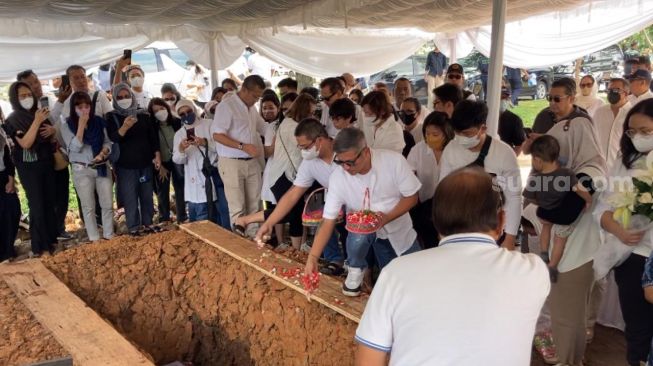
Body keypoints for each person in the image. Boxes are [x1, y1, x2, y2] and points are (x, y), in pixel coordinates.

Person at [354, 167, 549, 366]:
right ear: (501, 222)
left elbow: (369, 359)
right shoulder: (533, 271)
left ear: (436, 224)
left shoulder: (395, 273)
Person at [523, 77, 606, 366]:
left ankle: (570, 357)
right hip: (551, 227)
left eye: (558, 99)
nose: (552, 104)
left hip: (577, 241)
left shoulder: (585, 154)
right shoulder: (549, 128)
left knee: (569, 309)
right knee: (557, 301)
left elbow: (592, 167)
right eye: (550, 99)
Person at [304, 128, 421, 296]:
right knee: (360, 236)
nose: (346, 168)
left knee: (412, 277)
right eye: (340, 162)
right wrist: (313, 257)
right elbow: (327, 220)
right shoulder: (338, 177)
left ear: (365, 152)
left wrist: (386, 218)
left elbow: (412, 197)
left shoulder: (393, 161)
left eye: (351, 162)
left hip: (399, 228)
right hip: (362, 234)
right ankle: (355, 269)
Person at [594, 99, 653, 366]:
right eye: (632, 131)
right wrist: (618, 229)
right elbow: (604, 206)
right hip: (632, 255)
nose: (637, 137)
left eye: (645, 131)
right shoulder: (625, 161)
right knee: (638, 329)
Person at [254, 119, 346, 272]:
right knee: (323, 218)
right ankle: (335, 260)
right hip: (333, 203)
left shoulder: (345, 150)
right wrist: (269, 223)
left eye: (304, 146)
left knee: (359, 239)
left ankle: (364, 272)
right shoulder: (309, 163)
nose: (302, 150)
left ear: (319, 141)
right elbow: (293, 194)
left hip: (358, 203)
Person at [439, 100, 521, 250]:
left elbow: (514, 197)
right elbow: (443, 192)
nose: (460, 137)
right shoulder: (451, 149)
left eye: (466, 133)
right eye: (456, 132)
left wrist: (510, 238)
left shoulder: (504, 153)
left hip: (492, 228)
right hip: (459, 227)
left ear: (483, 128)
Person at [523, 135, 592, 283]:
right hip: (561, 214)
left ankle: (543, 253)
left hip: (545, 212)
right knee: (560, 240)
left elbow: (530, 196)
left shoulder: (535, 178)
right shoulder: (566, 174)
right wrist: (588, 200)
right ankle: (552, 266)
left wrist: (541, 201)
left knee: (545, 229)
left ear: (537, 160)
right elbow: (579, 190)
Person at [17, 69, 75, 241]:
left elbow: (56, 122)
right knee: (44, 200)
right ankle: (46, 236)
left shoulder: (47, 100)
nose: (36, 86)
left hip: (58, 155)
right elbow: (38, 131)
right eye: (31, 84)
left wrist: (54, 128)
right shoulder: (22, 113)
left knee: (62, 192)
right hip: (37, 163)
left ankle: (59, 228)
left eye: (36, 81)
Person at [2, 81, 57, 256]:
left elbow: (48, 136)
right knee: (37, 204)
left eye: (28, 94)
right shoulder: (13, 120)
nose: (27, 98)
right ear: (15, 99)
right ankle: (40, 247)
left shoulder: (39, 112)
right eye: (22, 96)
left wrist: (51, 130)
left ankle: (51, 240)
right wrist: (37, 121)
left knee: (49, 202)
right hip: (28, 166)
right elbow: (25, 143)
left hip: (46, 162)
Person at [211, 75, 267, 235]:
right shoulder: (226, 106)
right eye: (255, 96)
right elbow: (217, 135)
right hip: (232, 162)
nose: (257, 100)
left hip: (252, 162)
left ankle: (255, 242)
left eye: (259, 97)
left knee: (255, 204)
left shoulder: (252, 108)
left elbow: (263, 127)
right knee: (238, 207)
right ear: (244, 89)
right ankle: (241, 245)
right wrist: (242, 146)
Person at [105, 83, 162, 236]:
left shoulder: (143, 115)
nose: (124, 99)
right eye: (120, 97)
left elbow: (152, 137)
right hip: (125, 166)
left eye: (127, 96)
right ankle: (134, 227)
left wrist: (156, 155)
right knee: (130, 196)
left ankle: (148, 223)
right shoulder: (112, 116)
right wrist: (124, 127)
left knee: (146, 194)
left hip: (145, 163)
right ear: (115, 99)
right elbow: (113, 138)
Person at [261, 93, 316, 248]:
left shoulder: (288, 123)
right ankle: (295, 250)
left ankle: (295, 249)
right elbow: (304, 150)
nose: (312, 115)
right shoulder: (292, 126)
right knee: (290, 214)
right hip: (284, 176)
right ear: (304, 110)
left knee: (293, 214)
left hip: (286, 175)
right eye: (310, 112)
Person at [61, 92, 114, 241]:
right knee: (88, 206)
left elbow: (108, 142)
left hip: (101, 166)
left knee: (107, 203)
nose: (84, 109)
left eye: (87, 106)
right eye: (80, 106)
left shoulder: (98, 122)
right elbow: (74, 148)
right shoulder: (67, 125)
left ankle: (109, 235)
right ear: (73, 108)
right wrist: (81, 126)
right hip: (81, 169)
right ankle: (94, 238)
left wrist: (103, 153)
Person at [407, 111, 453, 248]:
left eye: (435, 134)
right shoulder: (418, 150)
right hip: (426, 208)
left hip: (451, 207)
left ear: (447, 134)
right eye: (427, 134)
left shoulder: (456, 150)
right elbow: (407, 174)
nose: (430, 138)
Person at [172, 99, 220, 222]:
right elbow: (177, 159)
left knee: (208, 221)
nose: (186, 115)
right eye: (182, 114)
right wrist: (181, 149)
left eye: (189, 111)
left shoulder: (209, 124)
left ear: (194, 109)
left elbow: (221, 148)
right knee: (195, 223)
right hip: (191, 188)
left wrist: (204, 142)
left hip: (209, 178)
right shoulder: (179, 134)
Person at [149, 97, 187, 224]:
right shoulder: (152, 127)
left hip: (177, 160)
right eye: (155, 111)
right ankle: (164, 218)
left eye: (161, 108)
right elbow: (151, 147)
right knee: (162, 191)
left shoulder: (177, 122)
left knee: (180, 189)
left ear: (166, 107)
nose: (160, 112)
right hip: (161, 163)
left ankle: (182, 217)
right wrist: (159, 166)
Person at [594, 78, 632, 168]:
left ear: (626, 93)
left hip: (622, 169)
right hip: (599, 167)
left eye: (615, 90)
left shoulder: (633, 114)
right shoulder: (600, 112)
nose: (611, 92)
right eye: (609, 90)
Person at [0, 109, 20, 262]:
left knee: (13, 211)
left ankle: (8, 249)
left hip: (4, 176)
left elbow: (8, 157)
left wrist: (11, 178)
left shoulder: (3, 132)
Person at [498, 87, 526, 155]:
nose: (504, 100)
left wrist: (509, 159)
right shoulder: (482, 115)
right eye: (501, 97)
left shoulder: (515, 120)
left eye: (506, 98)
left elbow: (519, 145)